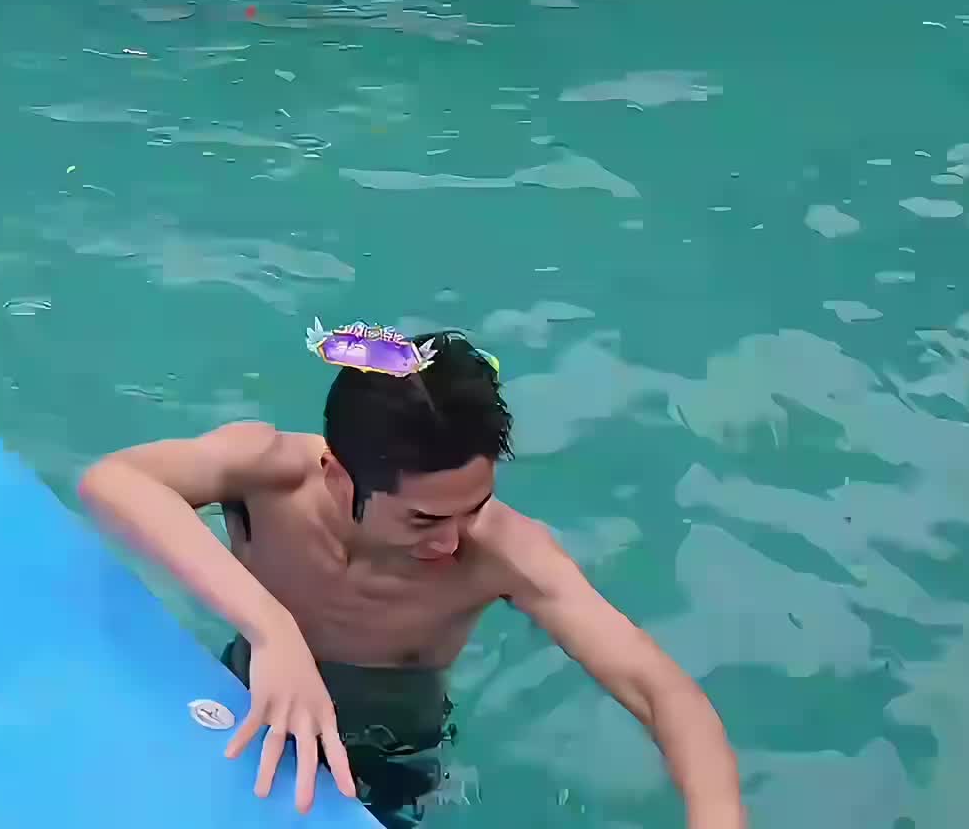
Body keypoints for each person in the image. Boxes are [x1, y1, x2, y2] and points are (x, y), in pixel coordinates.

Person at [77, 329, 745, 829]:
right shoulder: (266, 474)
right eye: (424, 518)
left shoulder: (505, 552)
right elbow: (112, 481)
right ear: (338, 477)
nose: (453, 541)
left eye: (473, 507)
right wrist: (273, 628)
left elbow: (661, 691)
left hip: (388, 762)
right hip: (247, 699)